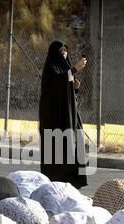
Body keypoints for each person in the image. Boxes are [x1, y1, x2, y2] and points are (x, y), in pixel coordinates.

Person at [39, 40, 88, 189]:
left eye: (65, 51)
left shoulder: (65, 70)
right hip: (54, 120)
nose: (64, 53)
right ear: (55, 53)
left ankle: (73, 184)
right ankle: (55, 185)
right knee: (56, 150)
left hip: (68, 118)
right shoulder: (51, 68)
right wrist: (75, 69)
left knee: (73, 146)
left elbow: (67, 96)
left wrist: (74, 89)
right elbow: (57, 82)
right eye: (61, 51)